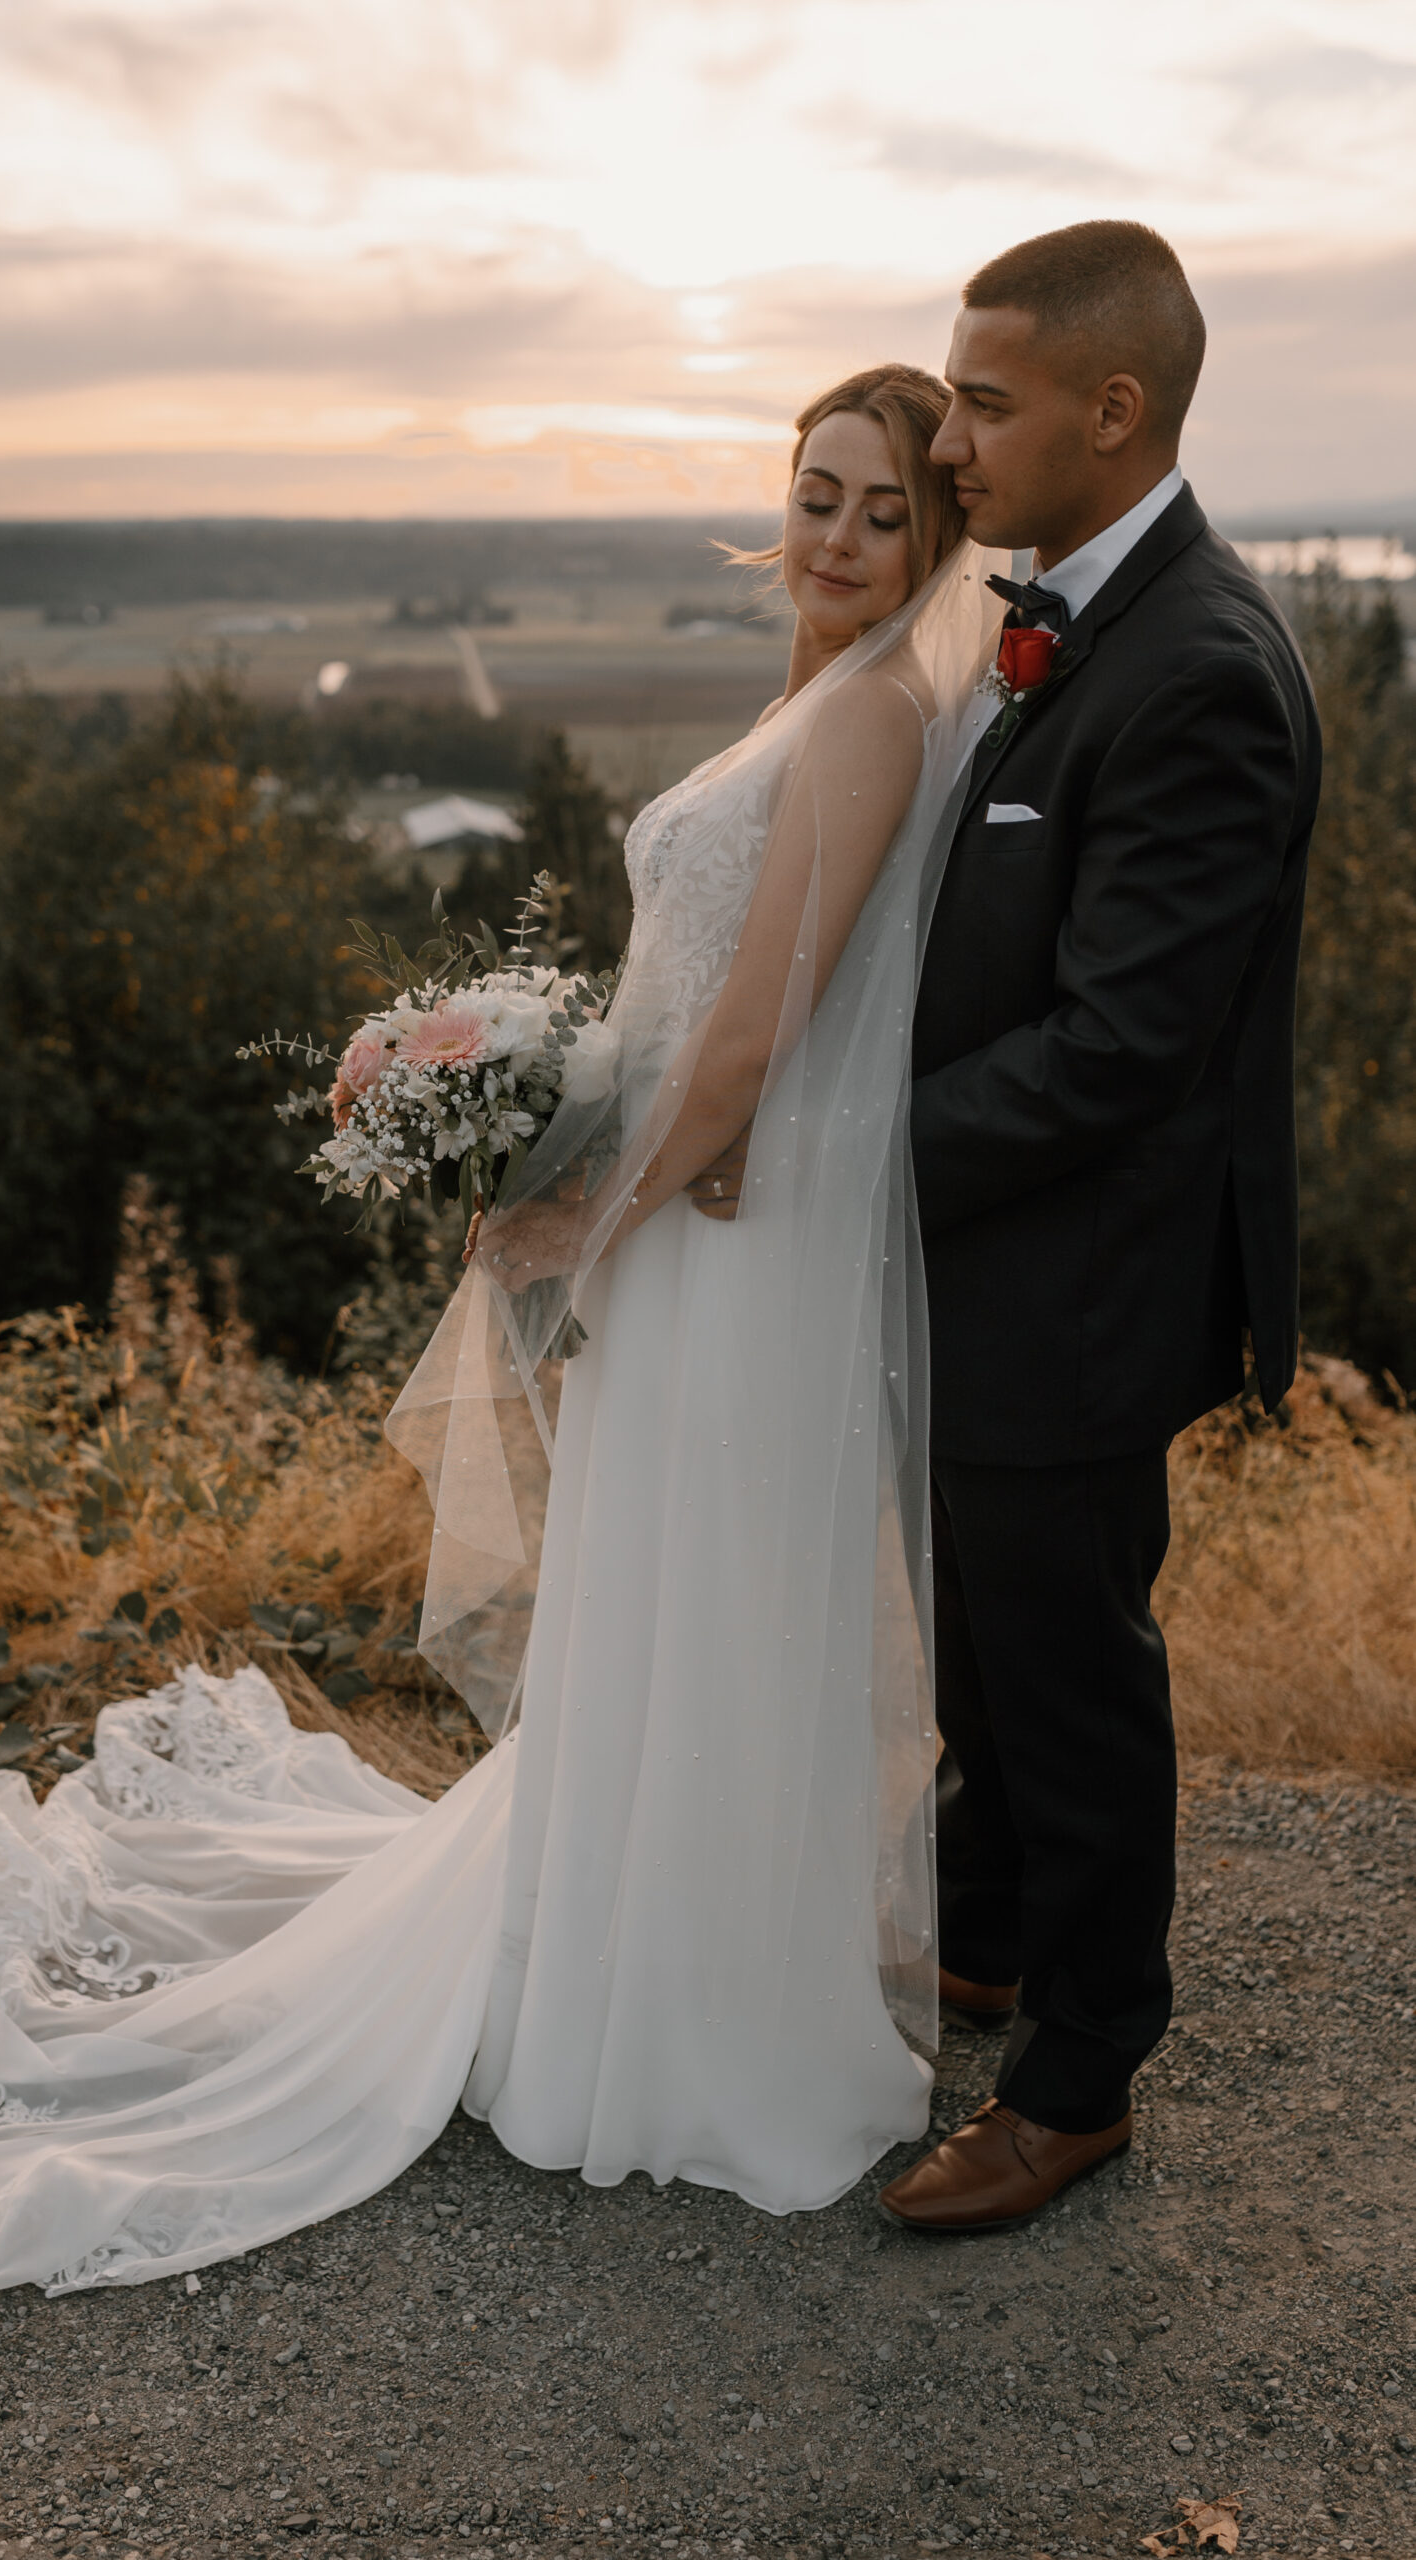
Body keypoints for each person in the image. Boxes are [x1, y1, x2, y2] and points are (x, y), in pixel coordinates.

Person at [0, 366, 1005, 2305]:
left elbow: (761, 1038)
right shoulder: (804, 698)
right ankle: (612, 1949)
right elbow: (688, 1009)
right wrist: (563, 1121)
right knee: (650, 1584)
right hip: (684, 1209)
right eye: (814, 493)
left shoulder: (865, 721)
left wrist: (583, 1205)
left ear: (932, 545)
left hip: (732, 1238)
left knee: (707, 1591)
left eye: (879, 514)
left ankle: (689, 2008)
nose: (836, 537)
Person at [699, 222, 1322, 2232]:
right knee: (976, 1625)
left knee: (1064, 1665)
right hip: (975, 1259)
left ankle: (1075, 2068)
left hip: (1077, 1281)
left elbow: (1115, 1053)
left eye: (981, 401)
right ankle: (977, 1925)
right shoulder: (1049, 614)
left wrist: (824, 1157)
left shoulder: (1200, 669)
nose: (949, 439)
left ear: (1107, 409)